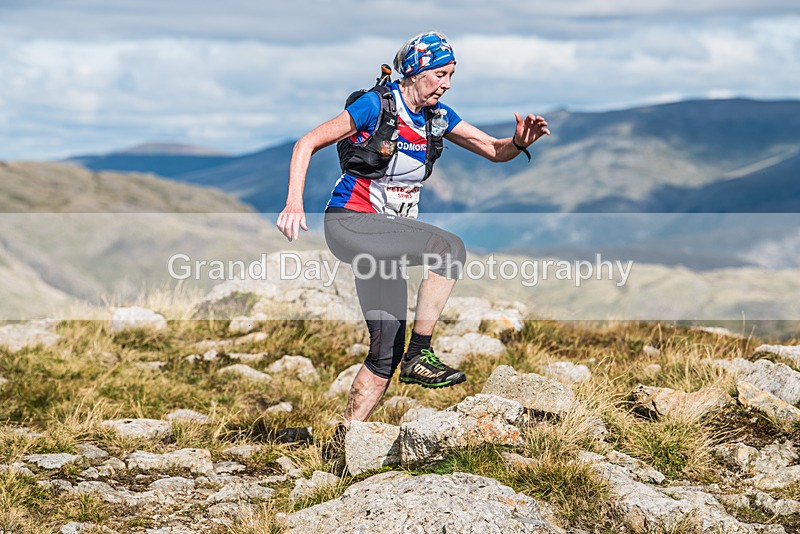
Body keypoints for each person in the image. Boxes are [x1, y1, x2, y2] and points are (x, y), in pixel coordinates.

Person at [276, 31, 549, 434]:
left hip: (383, 239)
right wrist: (294, 203)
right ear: (417, 70)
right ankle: (420, 355)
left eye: (452, 75)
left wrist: (518, 142)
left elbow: (493, 149)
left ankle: (343, 440)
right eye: (440, 74)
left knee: (385, 349)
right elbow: (307, 143)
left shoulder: (438, 117)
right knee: (448, 248)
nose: (447, 84)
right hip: (351, 222)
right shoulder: (376, 105)